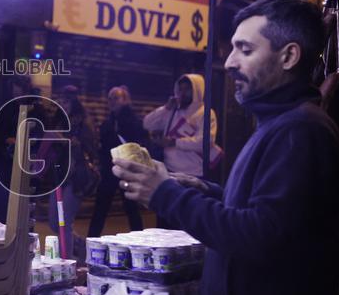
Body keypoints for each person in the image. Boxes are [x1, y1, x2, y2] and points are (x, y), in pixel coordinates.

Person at [112, 0, 339, 295]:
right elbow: (270, 215)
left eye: (244, 49)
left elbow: (259, 236)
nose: (228, 62)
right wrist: (196, 187)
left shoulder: (300, 132)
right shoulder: (279, 126)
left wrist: (166, 194)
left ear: (289, 55)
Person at [36, 88, 97, 259]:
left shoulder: (84, 122)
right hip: (58, 176)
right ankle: (80, 244)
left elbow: (89, 148)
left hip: (75, 176)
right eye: (60, 102)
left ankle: (67, 263)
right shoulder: (58, 121)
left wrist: (66, 140)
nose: (62, 105)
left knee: (65, 223)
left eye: (66, 102)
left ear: (74, 103)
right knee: (54, 223)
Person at [88, 86, 145, 238]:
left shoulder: (132, 119)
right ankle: (91, 241)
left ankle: (140, 241)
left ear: (125, 100)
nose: (112, 101)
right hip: (109, 170)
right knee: (100, 208)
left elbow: (138, 142)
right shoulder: (109, 120)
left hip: (126, 170)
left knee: (131, 208)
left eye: (116, 97)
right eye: (110, 98)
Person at [143, 73, 220, 177]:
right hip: (168, 170)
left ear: (197, 90)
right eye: (180, 89)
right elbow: (147, 124)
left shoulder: (206, 113)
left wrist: (174, 142)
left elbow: (205, 142)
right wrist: (166, 108)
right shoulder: (173, 110)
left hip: (193, 173)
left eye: (187, 89)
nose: (182, 93)